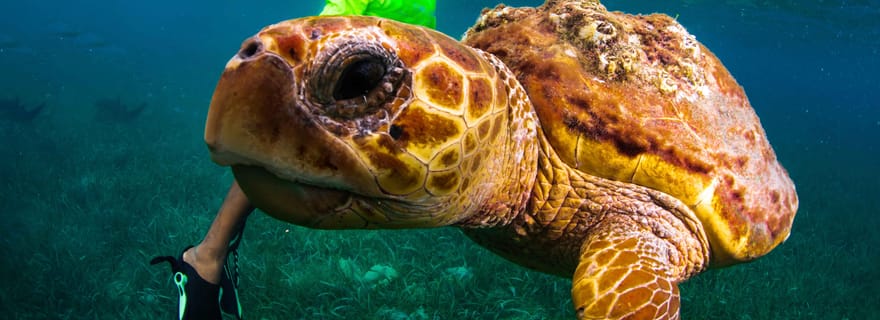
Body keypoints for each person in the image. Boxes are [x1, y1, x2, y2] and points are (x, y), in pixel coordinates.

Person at [151, 1, 436, 319]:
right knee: (282, 153)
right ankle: (205, 257)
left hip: (405, 75)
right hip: (357, 70)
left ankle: (210, 256)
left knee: (286, 159)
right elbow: (325, 37)